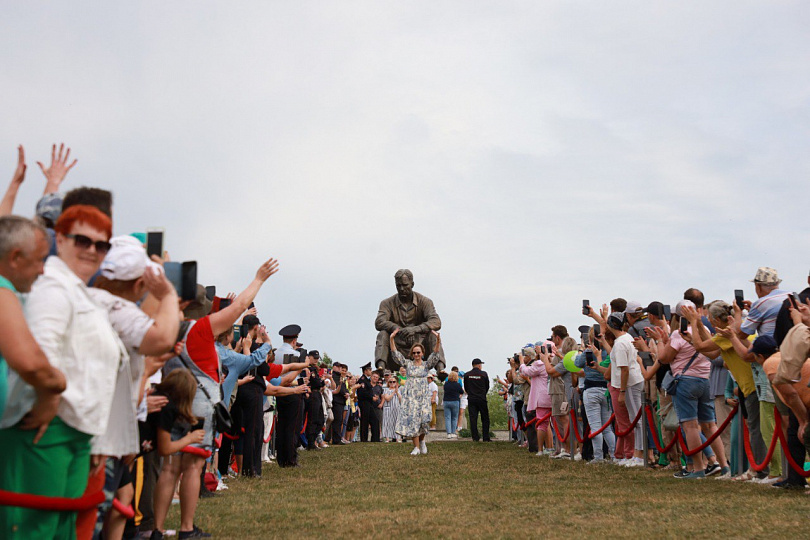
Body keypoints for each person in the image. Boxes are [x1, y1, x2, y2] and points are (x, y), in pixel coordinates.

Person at [0, 216, 69, 538]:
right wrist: (55, 388)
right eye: (39, 260)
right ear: (14, 258)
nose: (43, 270)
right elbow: (30, 363)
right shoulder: (3, 289)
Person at [374, 269, 444, 371]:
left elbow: (436, 322)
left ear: (412, 284)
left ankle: (441, 370)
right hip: (397, 345)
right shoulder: (387, 303)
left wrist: (415, 329)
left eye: (405, 285)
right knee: (382, 334)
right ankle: (381, 368)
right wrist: (398, 329)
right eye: (398, 286)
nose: (402, 289)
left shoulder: (425, 302)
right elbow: (379, 322)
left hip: (419, 344)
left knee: (434, 335)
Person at [391, 328, 442, 455]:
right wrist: (391, 338)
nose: (416, 355)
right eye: (414, 353)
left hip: (423, 396)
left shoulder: (426, 365)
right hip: (411, 397)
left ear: (422, 353)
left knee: (425, 420)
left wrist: (438, 340)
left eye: (418, 353)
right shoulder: (408, 364)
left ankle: (422, 441)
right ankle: (416, 447)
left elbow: (435, 354)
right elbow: (396, 354)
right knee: (413, 421)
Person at [519, 347, 551, 456]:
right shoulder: (551, 362)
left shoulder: (540, 364)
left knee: (541, 424)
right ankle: (552, 448)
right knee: (550, 424)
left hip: (541, 398)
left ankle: (541, 449)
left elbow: (526, 371)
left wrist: (521, 362)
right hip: (550, 395)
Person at [464, 358, 490, 442]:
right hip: (481, 398)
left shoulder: (467, 375)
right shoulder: (484, 374)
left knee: (473, 418)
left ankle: (475, 437)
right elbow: (487, 386)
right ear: (479, 365)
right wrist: (482, 393)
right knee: (485, 418)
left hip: (472, 399)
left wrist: (471, 393)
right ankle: (486, 437)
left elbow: (466, 387)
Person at [443, 371, 463, 439]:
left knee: (447, 418)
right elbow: (461, 392)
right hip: (455, 401)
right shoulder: (457, 385)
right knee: (454, 418)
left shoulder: (446, 384)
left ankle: (448, 433)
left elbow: (444, 389)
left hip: (446, 401)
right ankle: (453, 432)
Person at [382, 376, 402, 442]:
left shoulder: (399, 390)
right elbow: (387, 398)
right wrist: (393, 392)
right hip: (388, 408)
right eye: (390, 382)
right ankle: (387, 438)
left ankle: (397, 438)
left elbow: (401, 400)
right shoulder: (386, 390)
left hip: (396, 408)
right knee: (387, 423)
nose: (392, 383)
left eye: (394, 381)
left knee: (396, 423)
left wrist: (397, 392)